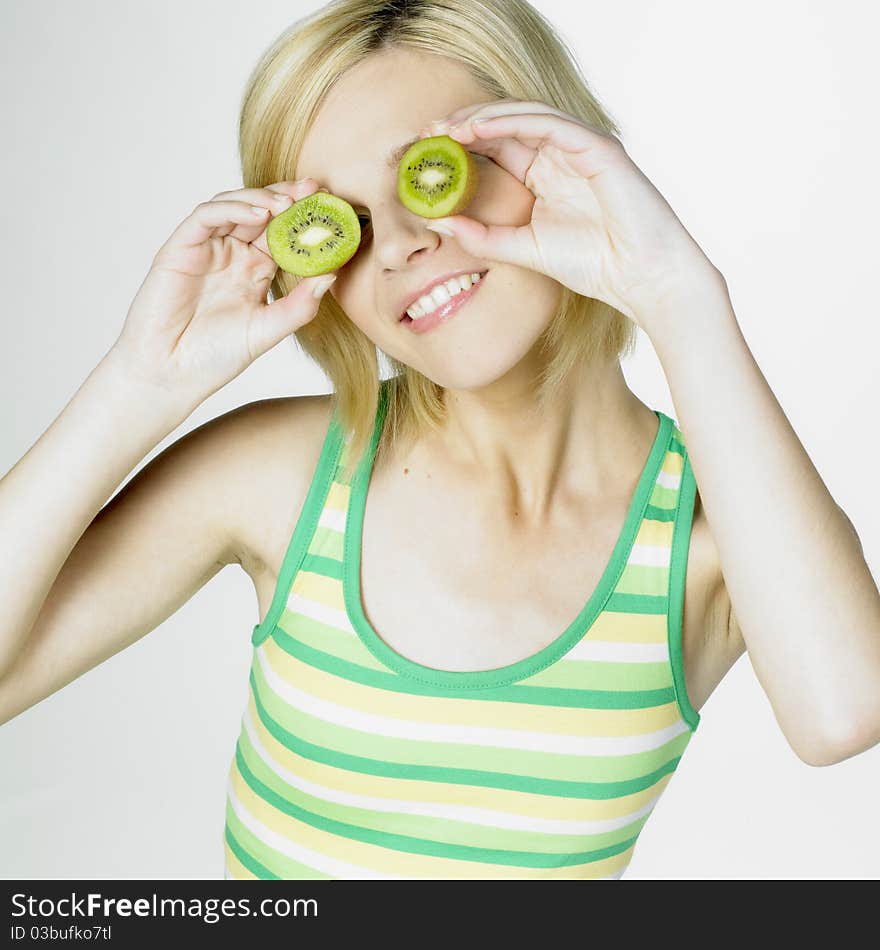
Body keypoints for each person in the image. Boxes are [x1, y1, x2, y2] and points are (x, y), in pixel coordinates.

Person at [1, 0, 878, 881]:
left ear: (558, 155)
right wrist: (140, 382)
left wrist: (678, 291)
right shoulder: (284, 473)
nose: (400, 247)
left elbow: (840, 713)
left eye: (435, 173)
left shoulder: (713, 529)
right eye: (349, 225)